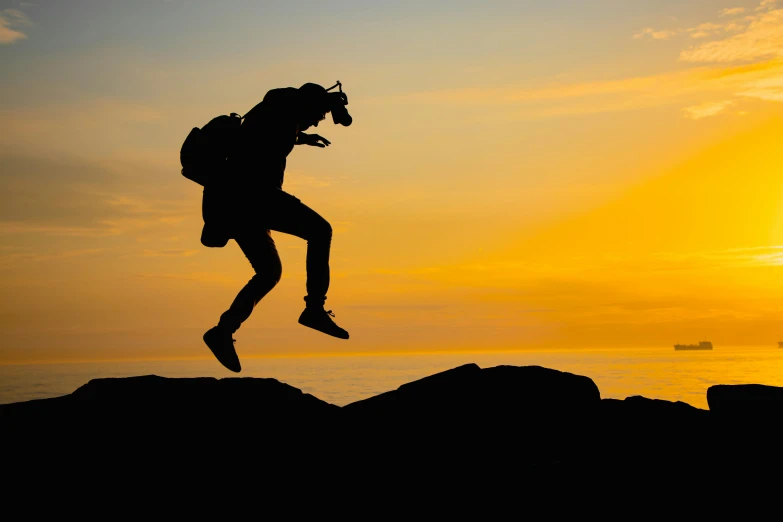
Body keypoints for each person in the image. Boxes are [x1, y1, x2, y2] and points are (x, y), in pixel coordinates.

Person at [201, 82, 351, 373]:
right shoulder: (282, 112)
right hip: (255, 196)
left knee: (270, 273)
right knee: (321, 231)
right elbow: (272, 128)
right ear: (308, 105)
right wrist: (324, 109)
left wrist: (304, 137)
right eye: (318, 115)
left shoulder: (279, 112)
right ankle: (314, 310)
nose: (318, 120)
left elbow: (268, 131)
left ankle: (222, 331)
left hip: (237, 205)